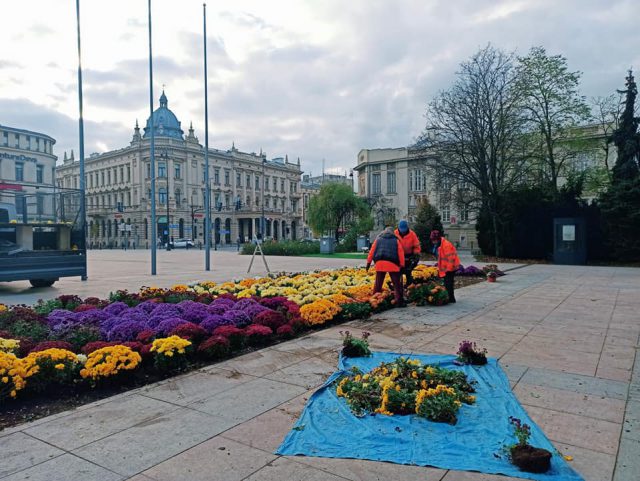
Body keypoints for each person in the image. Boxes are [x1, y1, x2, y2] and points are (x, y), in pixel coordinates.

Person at [366, 227, 406, 307]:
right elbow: (400, 253)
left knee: (378, 284)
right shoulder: (396, 240)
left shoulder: (378, 239)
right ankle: (399, 301)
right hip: (393, 264)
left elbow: (371, 251)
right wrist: (402, 265)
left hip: (380, 263)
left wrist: (368, 263)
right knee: (396, 284)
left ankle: (375, 301)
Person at [430, 230, 460, 303]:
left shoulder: (446, 245)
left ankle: (451, 299)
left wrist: (448, 270)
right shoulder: (440, 245)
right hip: (447, 267)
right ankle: (449, 298)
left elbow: (451, 258)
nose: (432, 242)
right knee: (447, 283)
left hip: (451, 267)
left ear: (437, 239)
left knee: (449, 283)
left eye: (433, 240)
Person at [394, 220, 421, 287]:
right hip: (398, 256)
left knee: (408, 272)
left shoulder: (412, 234)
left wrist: (415, 255)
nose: (403, 232)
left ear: (407, 228)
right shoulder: (394, 233)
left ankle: (409, 286)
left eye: (404, 230)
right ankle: (398, 287)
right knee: (398, 273)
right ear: (398, 228)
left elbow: (416, 246)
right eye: (401, 230)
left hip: (409, 255)